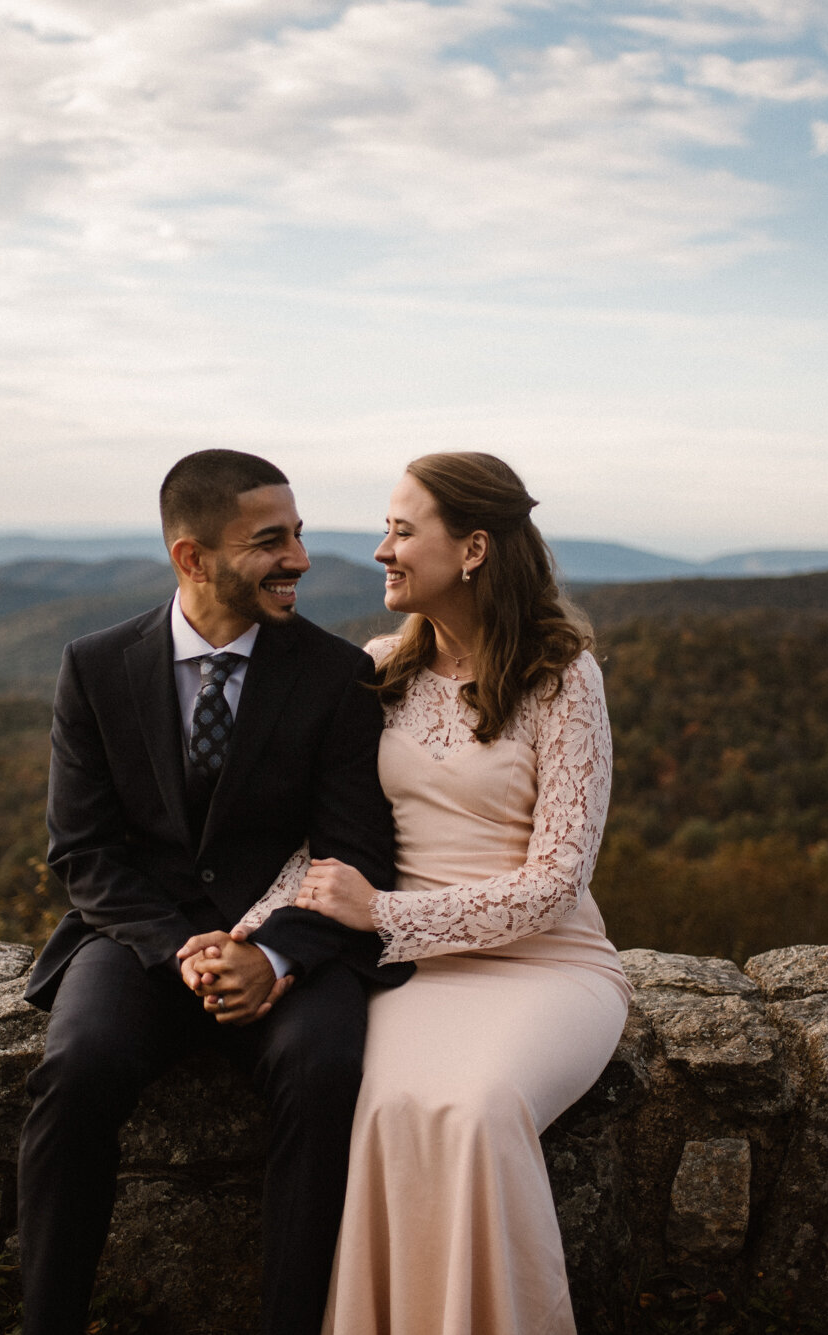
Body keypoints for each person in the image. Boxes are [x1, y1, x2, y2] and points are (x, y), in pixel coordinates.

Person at [228, 451, 629, 1334]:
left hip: (545, 964)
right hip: (413, 974)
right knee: (386, 1108)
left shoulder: (564, 679)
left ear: (475, 547)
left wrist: (383, 913)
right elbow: (319, 847)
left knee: (481, 1109)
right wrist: (249, 939)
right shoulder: (377, 668)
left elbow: (558, 883)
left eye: (403, 530)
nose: (381, 549)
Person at [16, 449, 412, 1335]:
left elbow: (355, 850)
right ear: (192, 558)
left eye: (298, 535)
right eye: (271, 541)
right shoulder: (95, 665)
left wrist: (270, 955)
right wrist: (182, 950)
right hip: (138, 944)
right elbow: (81, 851)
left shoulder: (335, 673)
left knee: (327, 1070)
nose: (301, 559)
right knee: (73, 1072)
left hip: (291, 944)